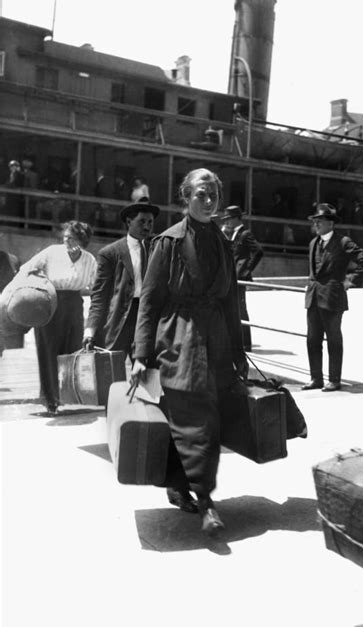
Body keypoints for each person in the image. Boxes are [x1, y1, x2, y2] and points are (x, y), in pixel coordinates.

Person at [131, 168, 248, 536]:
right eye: (201, 194)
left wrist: (238, 352)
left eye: (213, 194)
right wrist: (140, 355)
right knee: (193, 417)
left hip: (215, 340)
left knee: (208, 421)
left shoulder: (224, 242)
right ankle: (206, 503)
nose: (209, 200)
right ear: (186, 197)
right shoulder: (168, 242)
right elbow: (149, 303)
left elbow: (231, 301)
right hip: (178, 340)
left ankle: (180, 483)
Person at [13, 221, 96, 413]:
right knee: (48, 351)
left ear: (82, 240)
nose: (67, 240)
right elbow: (26, 268)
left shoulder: (89, 259)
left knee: (72, 351)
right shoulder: (51, 252)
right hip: (50, 304)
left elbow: (96, 285)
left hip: (74, 305)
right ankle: (50, 399)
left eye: (72, 237)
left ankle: (68, 397)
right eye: (65, 236)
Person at [302, 202, 363, 391]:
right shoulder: (312, 243)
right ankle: (315, 378)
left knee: (333, 339)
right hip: (314, 298)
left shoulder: (343, 242)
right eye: (315, 221)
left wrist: (352, 281)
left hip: (332, 298)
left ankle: (334, 379)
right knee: (312, 340)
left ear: (331, 223)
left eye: (320, 221)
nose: (316, 224)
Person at [83, 198, 160, 359]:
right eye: (141, 221)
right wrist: (90, 330)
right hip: (119, 320)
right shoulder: (110, 253)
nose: (146, 226)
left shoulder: (158, 249)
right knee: (112, 376)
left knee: (147, 374)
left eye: (150, 222)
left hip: (147, 319)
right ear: (129, 221)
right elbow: (99, 295)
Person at [221, 204, 264, 351]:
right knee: (233, 308)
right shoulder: (232, 233)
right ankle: (237, 341)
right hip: (231, 277)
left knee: (241, 309)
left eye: (229, 219)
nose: (227, 222)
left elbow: (258, 251)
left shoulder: (245, 234)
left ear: (237, 219)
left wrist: (246, 270)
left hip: (239, 277)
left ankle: (246, 344)